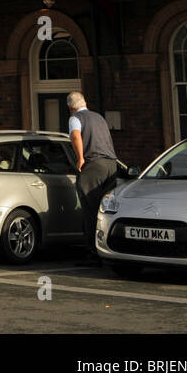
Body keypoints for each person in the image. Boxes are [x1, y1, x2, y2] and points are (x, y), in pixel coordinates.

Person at [68, 91, 118, 264]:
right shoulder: (99, 117)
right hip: (111, 165)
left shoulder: (76, 118)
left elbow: (75, 136)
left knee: (90, 210)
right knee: (105, 210)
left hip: (93, 165)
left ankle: (93, 254)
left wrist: (80, 158)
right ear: (85, 103)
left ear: (71, 107)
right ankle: (109, 249)